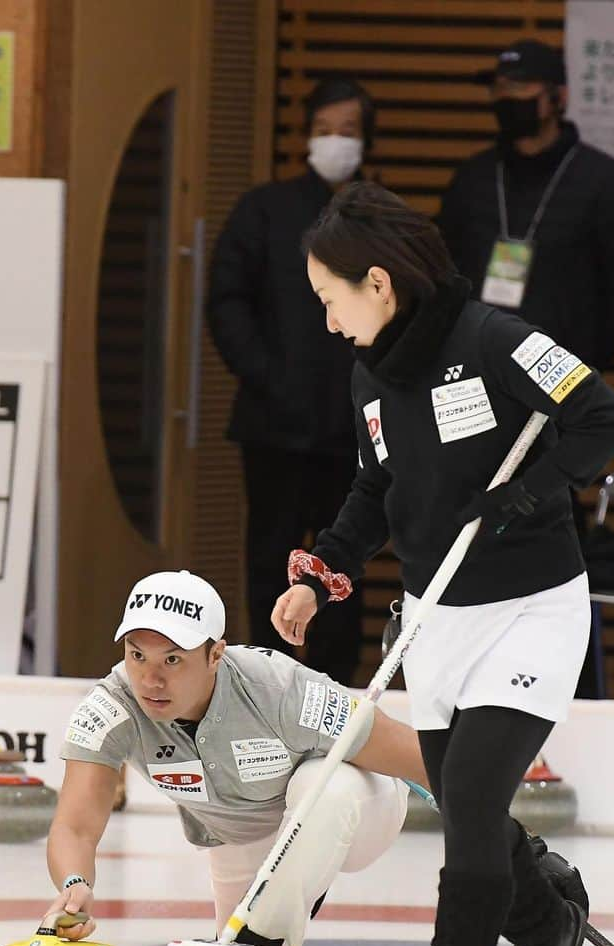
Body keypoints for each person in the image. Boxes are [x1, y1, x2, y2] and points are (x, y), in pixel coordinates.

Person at [270, 182, 614, 946]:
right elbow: (375, 492)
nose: (327, 323)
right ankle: (549, 920)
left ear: (378, 284)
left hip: (531, 613)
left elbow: (604, 417)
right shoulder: (371, 378)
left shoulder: (496, 341)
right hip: (437, 623)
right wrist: (322, 577)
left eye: (330, 300)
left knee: (469, 803)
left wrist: (528, 494)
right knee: (474, 814)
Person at [44, 569, 425, 946]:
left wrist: (497, 828)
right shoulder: (111, 707)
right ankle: (284, 901)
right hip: (239, 839)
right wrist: (74, 884)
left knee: (324, 783)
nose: (150, 680)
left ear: (215, 655)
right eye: (136, 656)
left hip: (362, 807)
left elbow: (416, 755)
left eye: (172, 659)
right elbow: (74, 826)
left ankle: (272, 919)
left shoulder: (279, 689)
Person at [207, 76, 377, 685]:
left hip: (354, 427)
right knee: (268, 556)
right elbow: (227, 302)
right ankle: (264, 679)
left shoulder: (376, 216)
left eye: (349, 131)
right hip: (274, 422)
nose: (335, 142)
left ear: (368, 141)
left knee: (344, 560)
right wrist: (268, 377)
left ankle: (334, 685)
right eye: (324, 130)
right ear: (305, 136)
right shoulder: (265, 209)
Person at [438, 38, 614, 375]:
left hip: (564, 381)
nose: (507, 98)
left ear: (559, 97)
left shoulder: (605, 182)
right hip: (476, 373)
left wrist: (581, 364)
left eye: (520, 87)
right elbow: (442, 271)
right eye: (499, 89)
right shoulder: (472, 178)